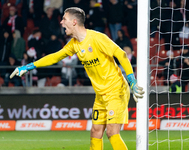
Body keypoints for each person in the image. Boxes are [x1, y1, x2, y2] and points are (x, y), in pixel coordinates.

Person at [10, 7, 144, 150]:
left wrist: (132, 81)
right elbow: (55, 56)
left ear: (74, 22)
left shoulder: (97, 38)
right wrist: (28, 67)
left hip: (117, 89)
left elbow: (122, 54)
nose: (61, 23)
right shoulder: (74, 44)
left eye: (64, 19)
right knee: (95, 132)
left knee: (112, 132)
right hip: (101, 94)